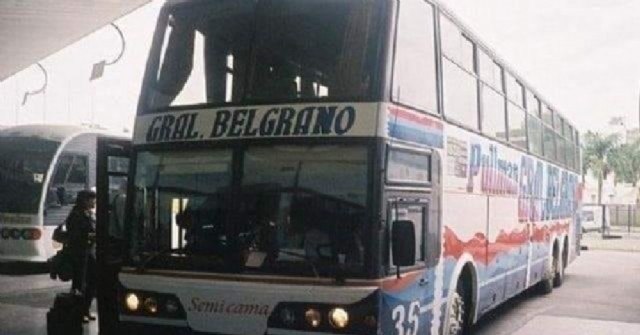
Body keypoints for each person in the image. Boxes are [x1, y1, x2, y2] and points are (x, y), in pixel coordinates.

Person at [66, 190, 97, 323]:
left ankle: (85, 310)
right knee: (80, 283)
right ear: (85, 200)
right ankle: (79, 312)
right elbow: (75, 235)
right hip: (79, 254)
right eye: (92, 199)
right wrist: (89, 236)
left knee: (91, 282)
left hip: (88, 252)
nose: (94, 202)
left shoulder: (88, 214)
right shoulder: (76, 215)